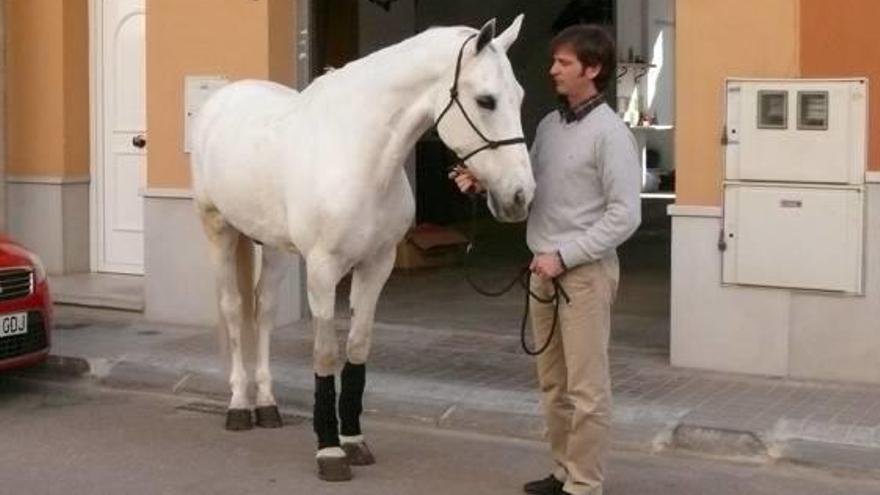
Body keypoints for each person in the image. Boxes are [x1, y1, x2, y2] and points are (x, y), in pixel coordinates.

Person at [452, 24, 641, 495]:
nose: (552, 69)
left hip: (584, 276)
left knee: (588, 392)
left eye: (564, 63)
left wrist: (565, 255)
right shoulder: (548, 128)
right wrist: (486, 188)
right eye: (555, 61)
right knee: (553, 387)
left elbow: (626, 216)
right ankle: (562, 472)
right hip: (543, 270)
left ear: (592, 69)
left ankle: (584, 484)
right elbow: (527, 200)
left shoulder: (611, 133)